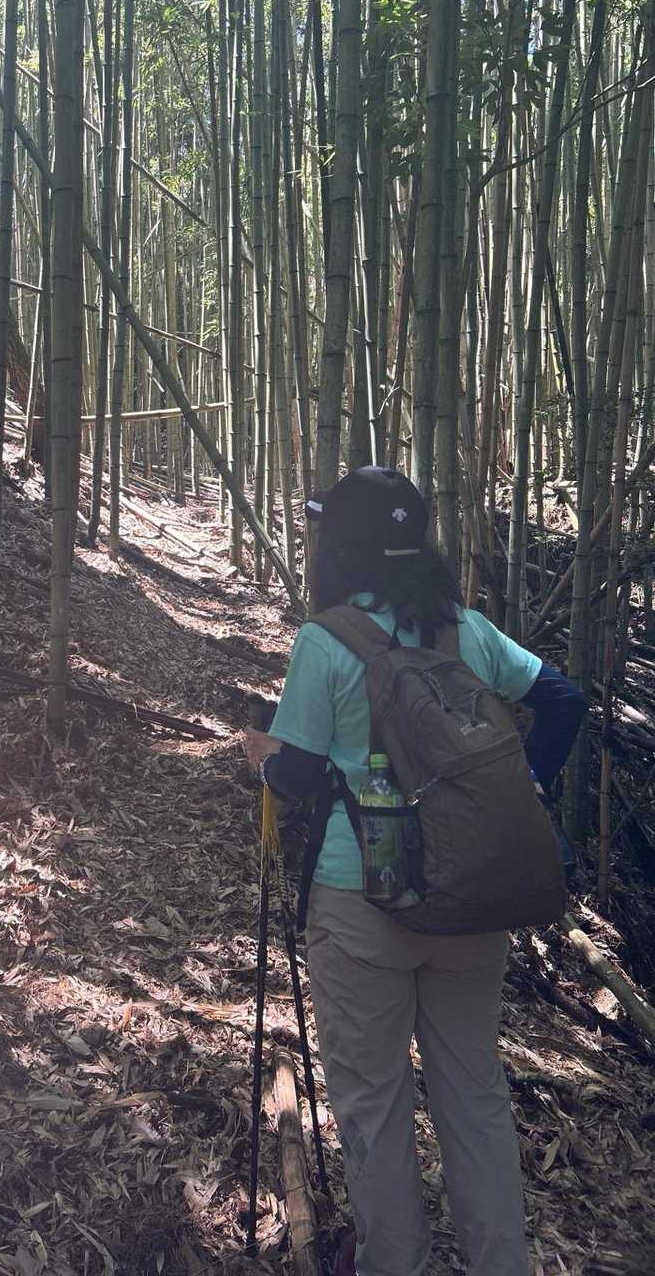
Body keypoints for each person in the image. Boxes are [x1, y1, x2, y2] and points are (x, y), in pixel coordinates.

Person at [242, 466, 585, 1276]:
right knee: (474, 1093)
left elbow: (299, 778)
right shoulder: (465, 631)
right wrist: (525, 786)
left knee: (374, 1101)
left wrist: (261, 758)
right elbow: (564, 700)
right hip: (471, 899)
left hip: (361, 903)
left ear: (343, 545)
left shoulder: (327, 640)